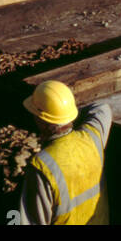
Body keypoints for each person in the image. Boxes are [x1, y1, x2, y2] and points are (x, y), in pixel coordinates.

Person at [18, 80, 112, 225]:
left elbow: (30, 221)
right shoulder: (92, 138)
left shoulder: (42, 167)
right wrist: (67, 115)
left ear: (41, 121)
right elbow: (102, 108)